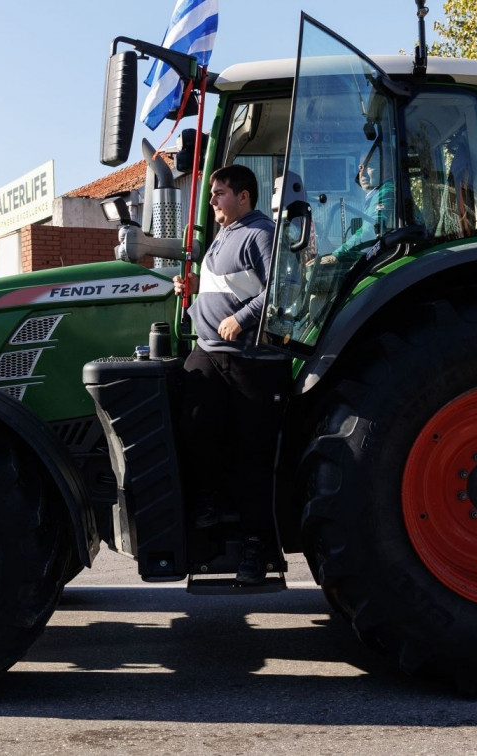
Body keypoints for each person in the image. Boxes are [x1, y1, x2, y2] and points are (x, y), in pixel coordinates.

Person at [171, 164, 291, 586]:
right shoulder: (223, 235)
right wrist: (190, 294)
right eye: (212, 194)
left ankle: (256, 549)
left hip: (249, 360)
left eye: (219, 193)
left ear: (244, 197)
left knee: (251, 457)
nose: (212, 200)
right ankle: (205, 509)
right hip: (209, 351)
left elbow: (280, 287)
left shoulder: (261, 233)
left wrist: (241, 319)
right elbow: (226, 288)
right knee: (192, 427)